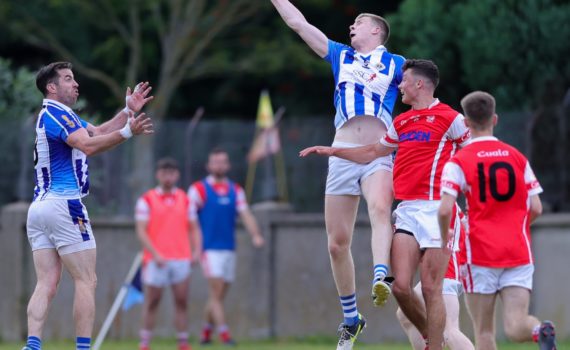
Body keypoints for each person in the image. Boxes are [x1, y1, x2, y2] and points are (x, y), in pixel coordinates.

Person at [300, 59, 471, 350]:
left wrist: (464, 196)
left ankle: (435, 346)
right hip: (407, 210)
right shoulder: (401, 121)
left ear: (419, 84)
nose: (399, 85)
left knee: (431, 289)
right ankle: (433, 339)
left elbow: (472, 155)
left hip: (437, 211)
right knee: (401, 287)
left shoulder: (450, 117)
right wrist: (333, 150)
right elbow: (373, 151)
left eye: (403, 80)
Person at [271, 1, 405, 347]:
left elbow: (424, 90)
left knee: (379, 209)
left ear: (376, 30)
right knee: (335, 244)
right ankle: (351, 319)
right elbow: (298, 23)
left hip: (377, 153)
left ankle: (380, 275)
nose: (351, 27)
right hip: (342, 153)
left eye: (358, 23)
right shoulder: (341, 55)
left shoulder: (397, 64)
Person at [24, 62, 153, 350]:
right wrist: (128, 133)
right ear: (51, 87)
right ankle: (83, 347)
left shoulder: (57, 116)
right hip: (64, 205)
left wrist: (127, 112)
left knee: (46, 282)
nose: (75, 84)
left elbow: (96, 133)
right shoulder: (58, 115)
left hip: (39, 209)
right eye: (68, 79)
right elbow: (89, 147)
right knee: (86, 280)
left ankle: (32, 345)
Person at [438, 91, 557, 350]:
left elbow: (445, 209)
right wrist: (517, 228)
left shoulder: (459, 161)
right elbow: (535, 206)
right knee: (516, 325)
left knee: (484, 332)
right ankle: (539, 330)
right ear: (495, 119)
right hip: (517, 250)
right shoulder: (517, 157)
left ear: (466, 124)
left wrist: (444, 235)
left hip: (480, 253)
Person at [188, 148, 264, 346]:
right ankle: (224, 335)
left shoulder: (235, 190)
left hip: (229, 248)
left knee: (218, 295)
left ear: (228, 165)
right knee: (216, 292)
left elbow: (245, 213)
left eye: (223, 162)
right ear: (208, 165)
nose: (219, 165)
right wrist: (195, 247)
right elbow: (190, 220)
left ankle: (205, 333)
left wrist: (255, 235)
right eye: (215, 162)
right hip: (209, 249)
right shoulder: (198, 189)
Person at [134, 158, 201, 350]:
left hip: (181, 257)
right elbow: (141, 230)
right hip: (156, 259)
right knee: (153, 300)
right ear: (158, 175)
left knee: (181, 300)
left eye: (171, 173)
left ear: (177, 175)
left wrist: (197, 250)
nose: (168, 177)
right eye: (164, 173)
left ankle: (183, 341)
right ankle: (145, 342)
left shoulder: (185, 199)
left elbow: (195, 228)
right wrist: (155, 253)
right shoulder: (146, 199)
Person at [396, 208, 474, 350]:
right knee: (405, 315)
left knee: (448, 328)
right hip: (446, 268)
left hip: (446, 269)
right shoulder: (429, 201)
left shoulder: (440, 200)